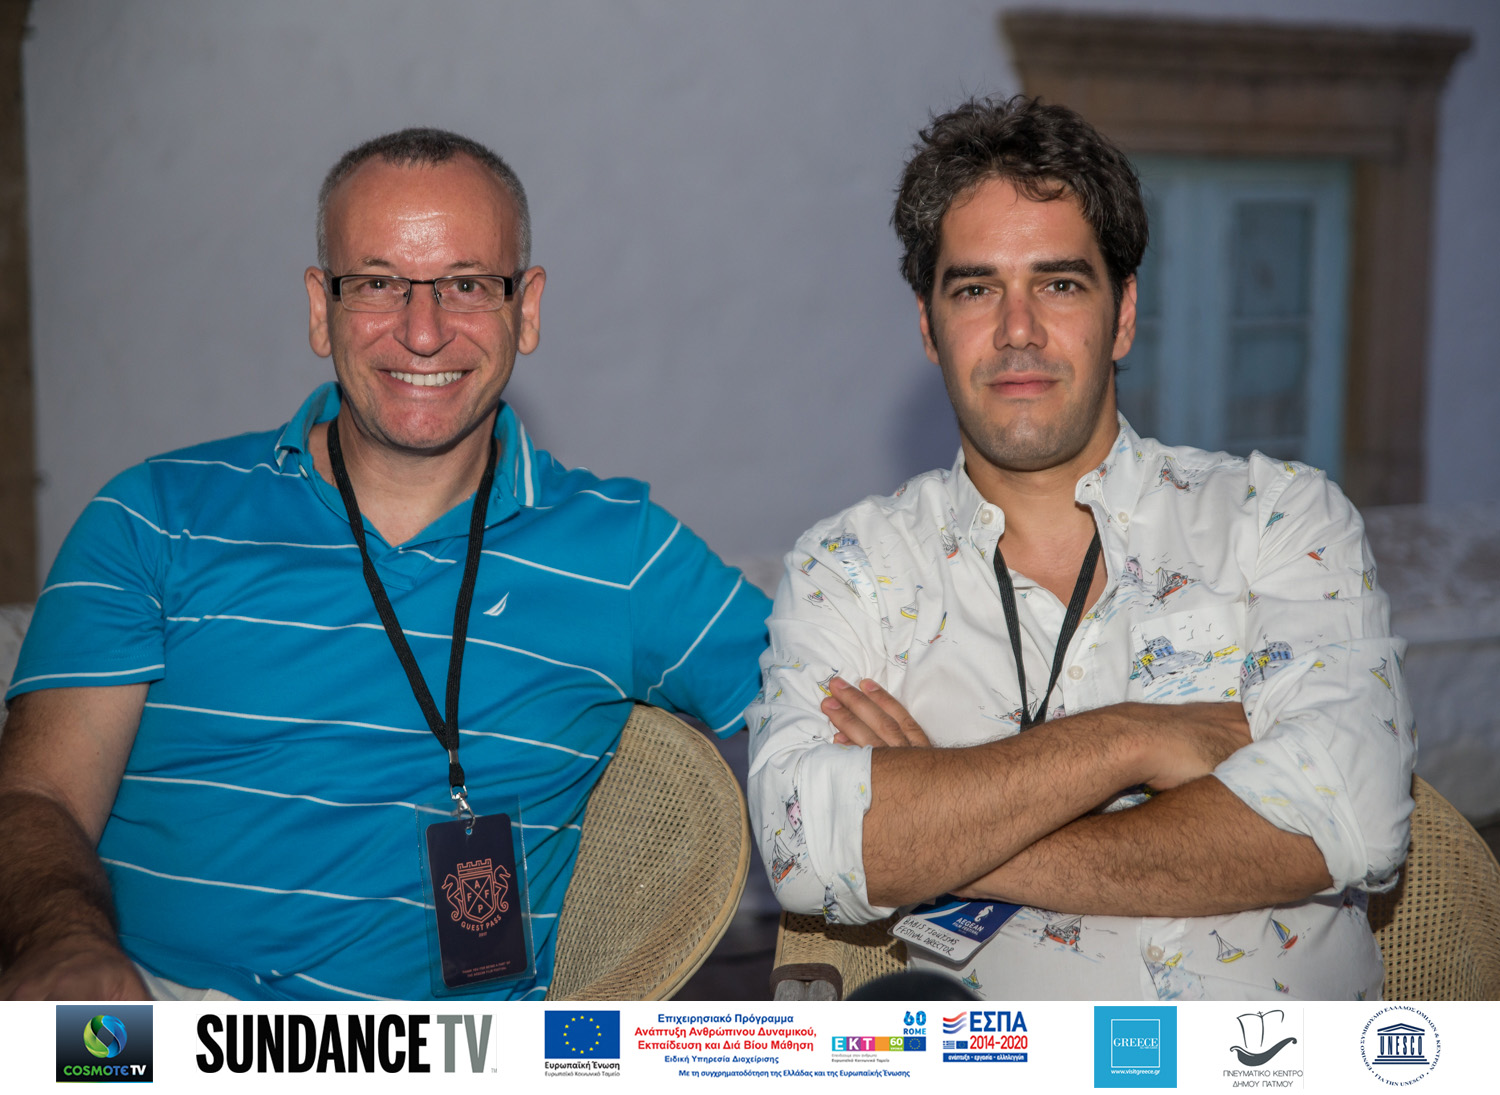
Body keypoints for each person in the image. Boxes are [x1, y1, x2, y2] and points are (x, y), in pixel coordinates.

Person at [0, 128, 769, 1001]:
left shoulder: (621, 551)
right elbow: (37, 797)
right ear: (320, 308)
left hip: (449, 1054)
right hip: (156, 1009)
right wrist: (64, 946)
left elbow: (824, 701)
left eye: (467, 284)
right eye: (377, 283)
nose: (423, 331)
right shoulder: (152, 516)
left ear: (526, 309)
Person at [746, 97, 1413, 1000]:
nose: (1017, 328)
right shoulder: (849, 568)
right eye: (975, 289)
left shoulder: (1282, 520)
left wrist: (939, 826)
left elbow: (1353, 819)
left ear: (1124, 314)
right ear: (929, 327)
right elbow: (803, 847)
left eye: (1058, 284)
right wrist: (1134, 736)